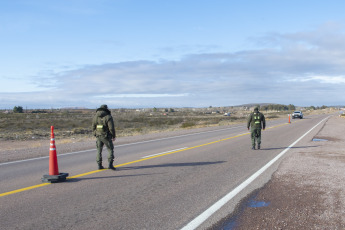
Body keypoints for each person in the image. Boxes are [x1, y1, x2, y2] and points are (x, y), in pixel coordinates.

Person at [92, 104, 116, 170]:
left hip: (98, 135)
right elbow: (111, 128)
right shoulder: (108, 117)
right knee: (110, 149)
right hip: (106, 136)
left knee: (99, 150)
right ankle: (110, 164)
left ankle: (99, 165)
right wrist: (113, 136)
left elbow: (93, 127)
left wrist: (95, 133)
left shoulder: (95, 117)